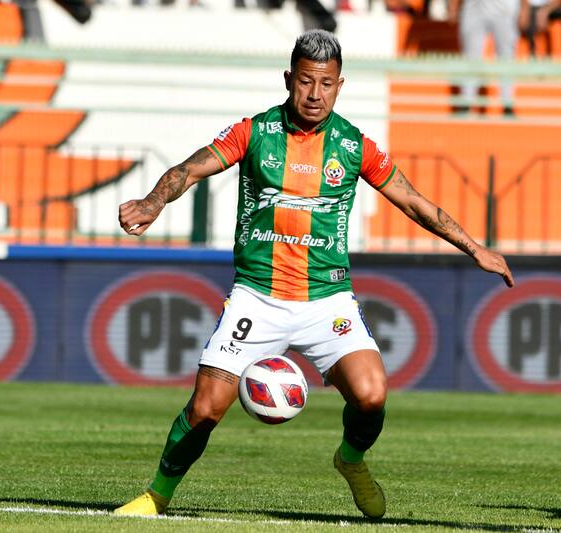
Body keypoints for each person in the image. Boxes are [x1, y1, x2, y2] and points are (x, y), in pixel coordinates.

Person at [115, 29, 514, 519]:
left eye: (326, 84)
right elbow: (189, 170)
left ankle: (351, 460)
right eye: (306, 81)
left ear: (339, 85)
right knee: (204, 409)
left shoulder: (352, 146)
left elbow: (412, 201)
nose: (315, 94)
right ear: (289, 79)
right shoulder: (255, 133)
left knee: (371, 396)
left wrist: (474, 248)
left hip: (327, 300)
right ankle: (156, 496)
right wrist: (154, 201)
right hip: (257, 298)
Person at [448, 0, 521, 116]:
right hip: (474, 8)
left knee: (507, 58)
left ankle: (508, 104)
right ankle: (466, 102)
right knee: (471, 57)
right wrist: (453, 6)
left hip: (505, 9)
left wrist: (525, 8)